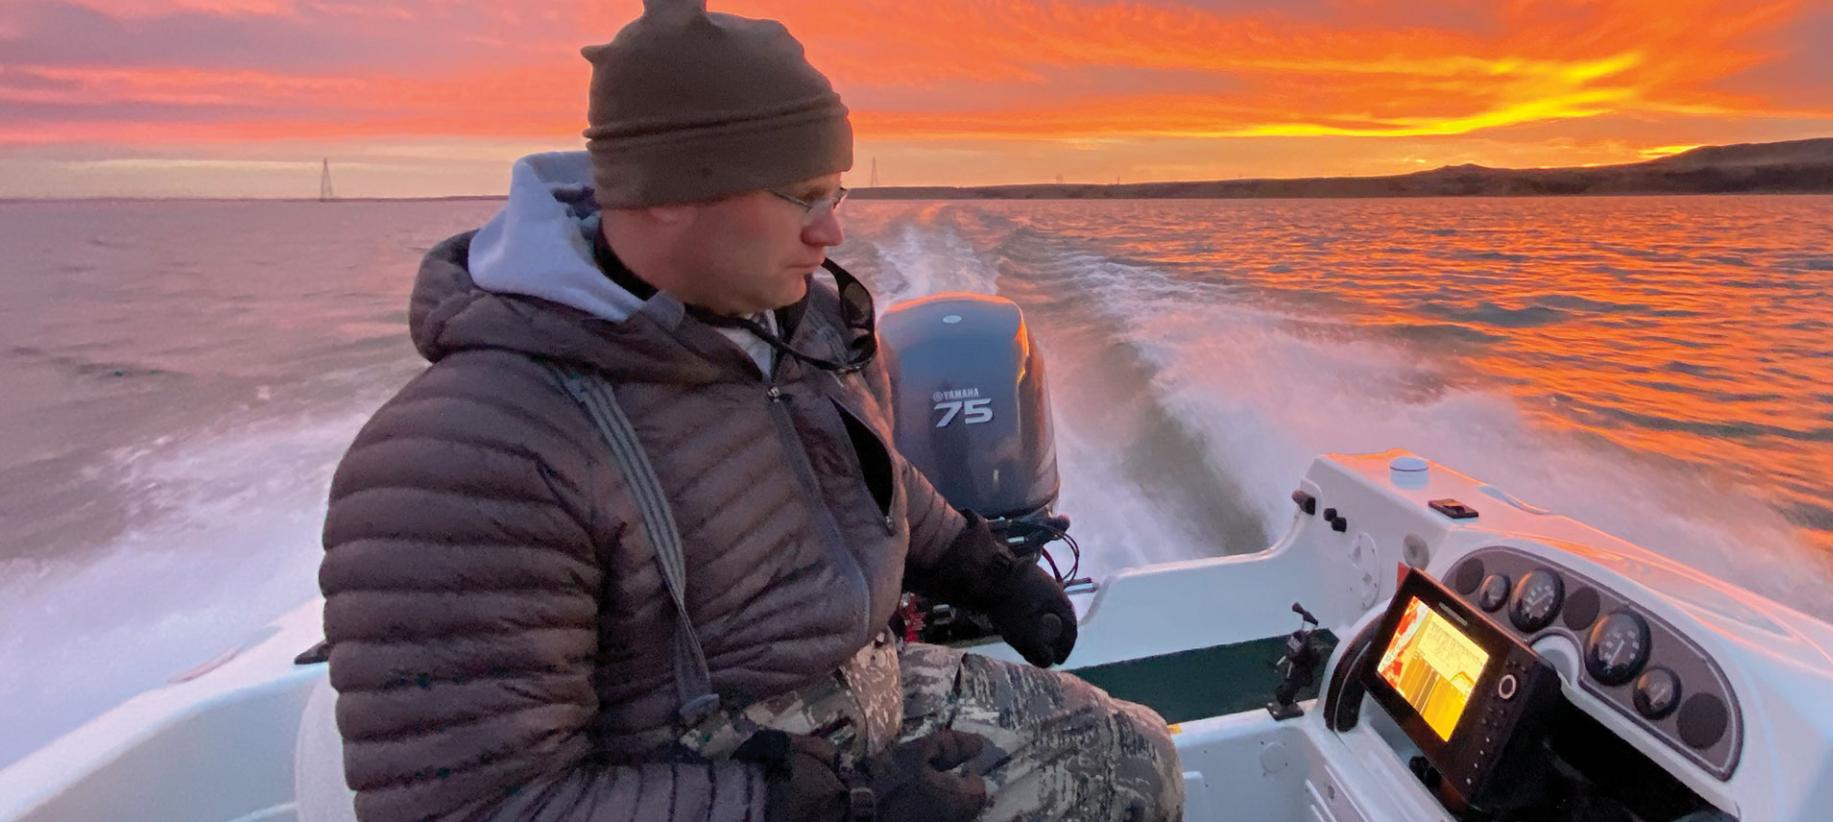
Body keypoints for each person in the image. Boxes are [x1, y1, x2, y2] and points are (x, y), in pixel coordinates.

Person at [314, 1, 1183, 819]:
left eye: (836, 194)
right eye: (802, 196)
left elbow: (865, 470)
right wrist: (829, 811)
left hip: (864, 696)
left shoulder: (782, 325)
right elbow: (478, 808)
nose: (831, 232)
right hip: (731, 790)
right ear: (664, 189)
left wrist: (984, 568)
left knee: (1140, 761)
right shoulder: (466, 458)